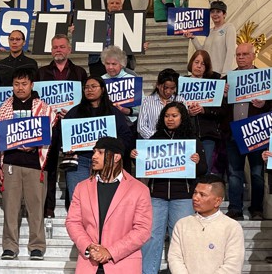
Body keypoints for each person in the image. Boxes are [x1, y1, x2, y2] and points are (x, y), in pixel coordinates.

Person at [0, 68, 57, 260]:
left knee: (36, 209)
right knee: (10, 208)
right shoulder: (4, 109)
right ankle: (9, 247)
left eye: (24, 84)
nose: (20, 88)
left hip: (35, 165)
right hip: (11, 163)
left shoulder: (44, 109)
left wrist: (36, 148)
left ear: (32, 85)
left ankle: (37, 246)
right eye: (16, 84)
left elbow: (53, 138)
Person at [132, 102, 208, 274]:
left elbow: (203, 169)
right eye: (167, 116)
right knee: (151, 237)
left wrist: (197, 161)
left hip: (183, 196)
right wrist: (135, 157)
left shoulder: (192, 140)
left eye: (174, 115)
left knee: (180, 237)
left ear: (183, 117)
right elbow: (144, 166)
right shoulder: (154, 139)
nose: (170, 119)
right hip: (156, 195)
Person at [66, 137, 152, 273]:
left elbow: (142, 230)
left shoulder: (139, 190)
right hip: (89, 264)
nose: (94, 156)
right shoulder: (81, 187)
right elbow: (73, 222)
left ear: (116, 157)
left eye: (100, 153)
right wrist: (88, 247)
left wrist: (110, 252)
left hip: (123, 265)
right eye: (94, 152)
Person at [38, 34, 88, 217]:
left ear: (69, 49)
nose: (58, 50)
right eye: (55, 47)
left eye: (61, 46)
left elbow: (86, 99)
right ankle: (48, 207)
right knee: (49, 166)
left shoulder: (80, 72)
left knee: (73, 165)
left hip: (71, 125)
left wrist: (73, 113)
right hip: (48, 125)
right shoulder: (41, 72)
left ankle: (72, 206)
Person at [63, 76, 132, 199]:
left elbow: (126, 136)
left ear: (103, 89)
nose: (89, 90)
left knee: (105, 201)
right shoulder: (74, 112)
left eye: (93, 86)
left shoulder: (113, 112)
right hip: (80, 162)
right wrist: (65, 147)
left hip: (106, 162)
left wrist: (113, 148)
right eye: (86, 87)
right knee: (78, 200)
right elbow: (62, 137)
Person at [223, 43, 270, 220]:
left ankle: (257, 209)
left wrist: (265, 103)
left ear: (253, 56)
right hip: (233, 134)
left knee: (257, 174)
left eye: (244, 54)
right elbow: (220, 108)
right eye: (238, 54)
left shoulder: (264, 77)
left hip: (255, 133)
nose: (241, 57)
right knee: (234, 174)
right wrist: (224, 96)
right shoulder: (228, 79)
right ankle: (235, 209)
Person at [168, 175, 244, 273]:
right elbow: (175, 258)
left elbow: (233, 265)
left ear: (217, 201)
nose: (195, 198)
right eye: (195, 193)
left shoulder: (232, 227)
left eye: (202, 195)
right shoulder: (182, 224)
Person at [185, 50, 224, 171]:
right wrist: (187, 113)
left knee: (205, 169)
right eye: (196, 62)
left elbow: (220, 111)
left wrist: (204, 110)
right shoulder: (181, 82)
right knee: (189, 169)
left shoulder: (214, 83)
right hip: (188, 134)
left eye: (203, 64)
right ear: (191, 63)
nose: (199, 66)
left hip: (208, 135)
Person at [185, 1, 237, 75]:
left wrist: (225, 74)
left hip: (220, 74)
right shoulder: (210, 31)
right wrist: (193, 38)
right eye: (212, 12)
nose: (215, 14)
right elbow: (204, 52)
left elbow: (231, 52)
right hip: (208, 74)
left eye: (218, 11)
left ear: (224, 14)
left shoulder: (229, 28)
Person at [137, 68, 185, 139]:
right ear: (158, 85)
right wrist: (158, 137)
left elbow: (185, 124)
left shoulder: (180, 100)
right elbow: (141, 127)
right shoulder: (147, 101)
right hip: (152, 141)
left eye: (172, 88)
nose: (168, 91)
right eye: (165, 88)